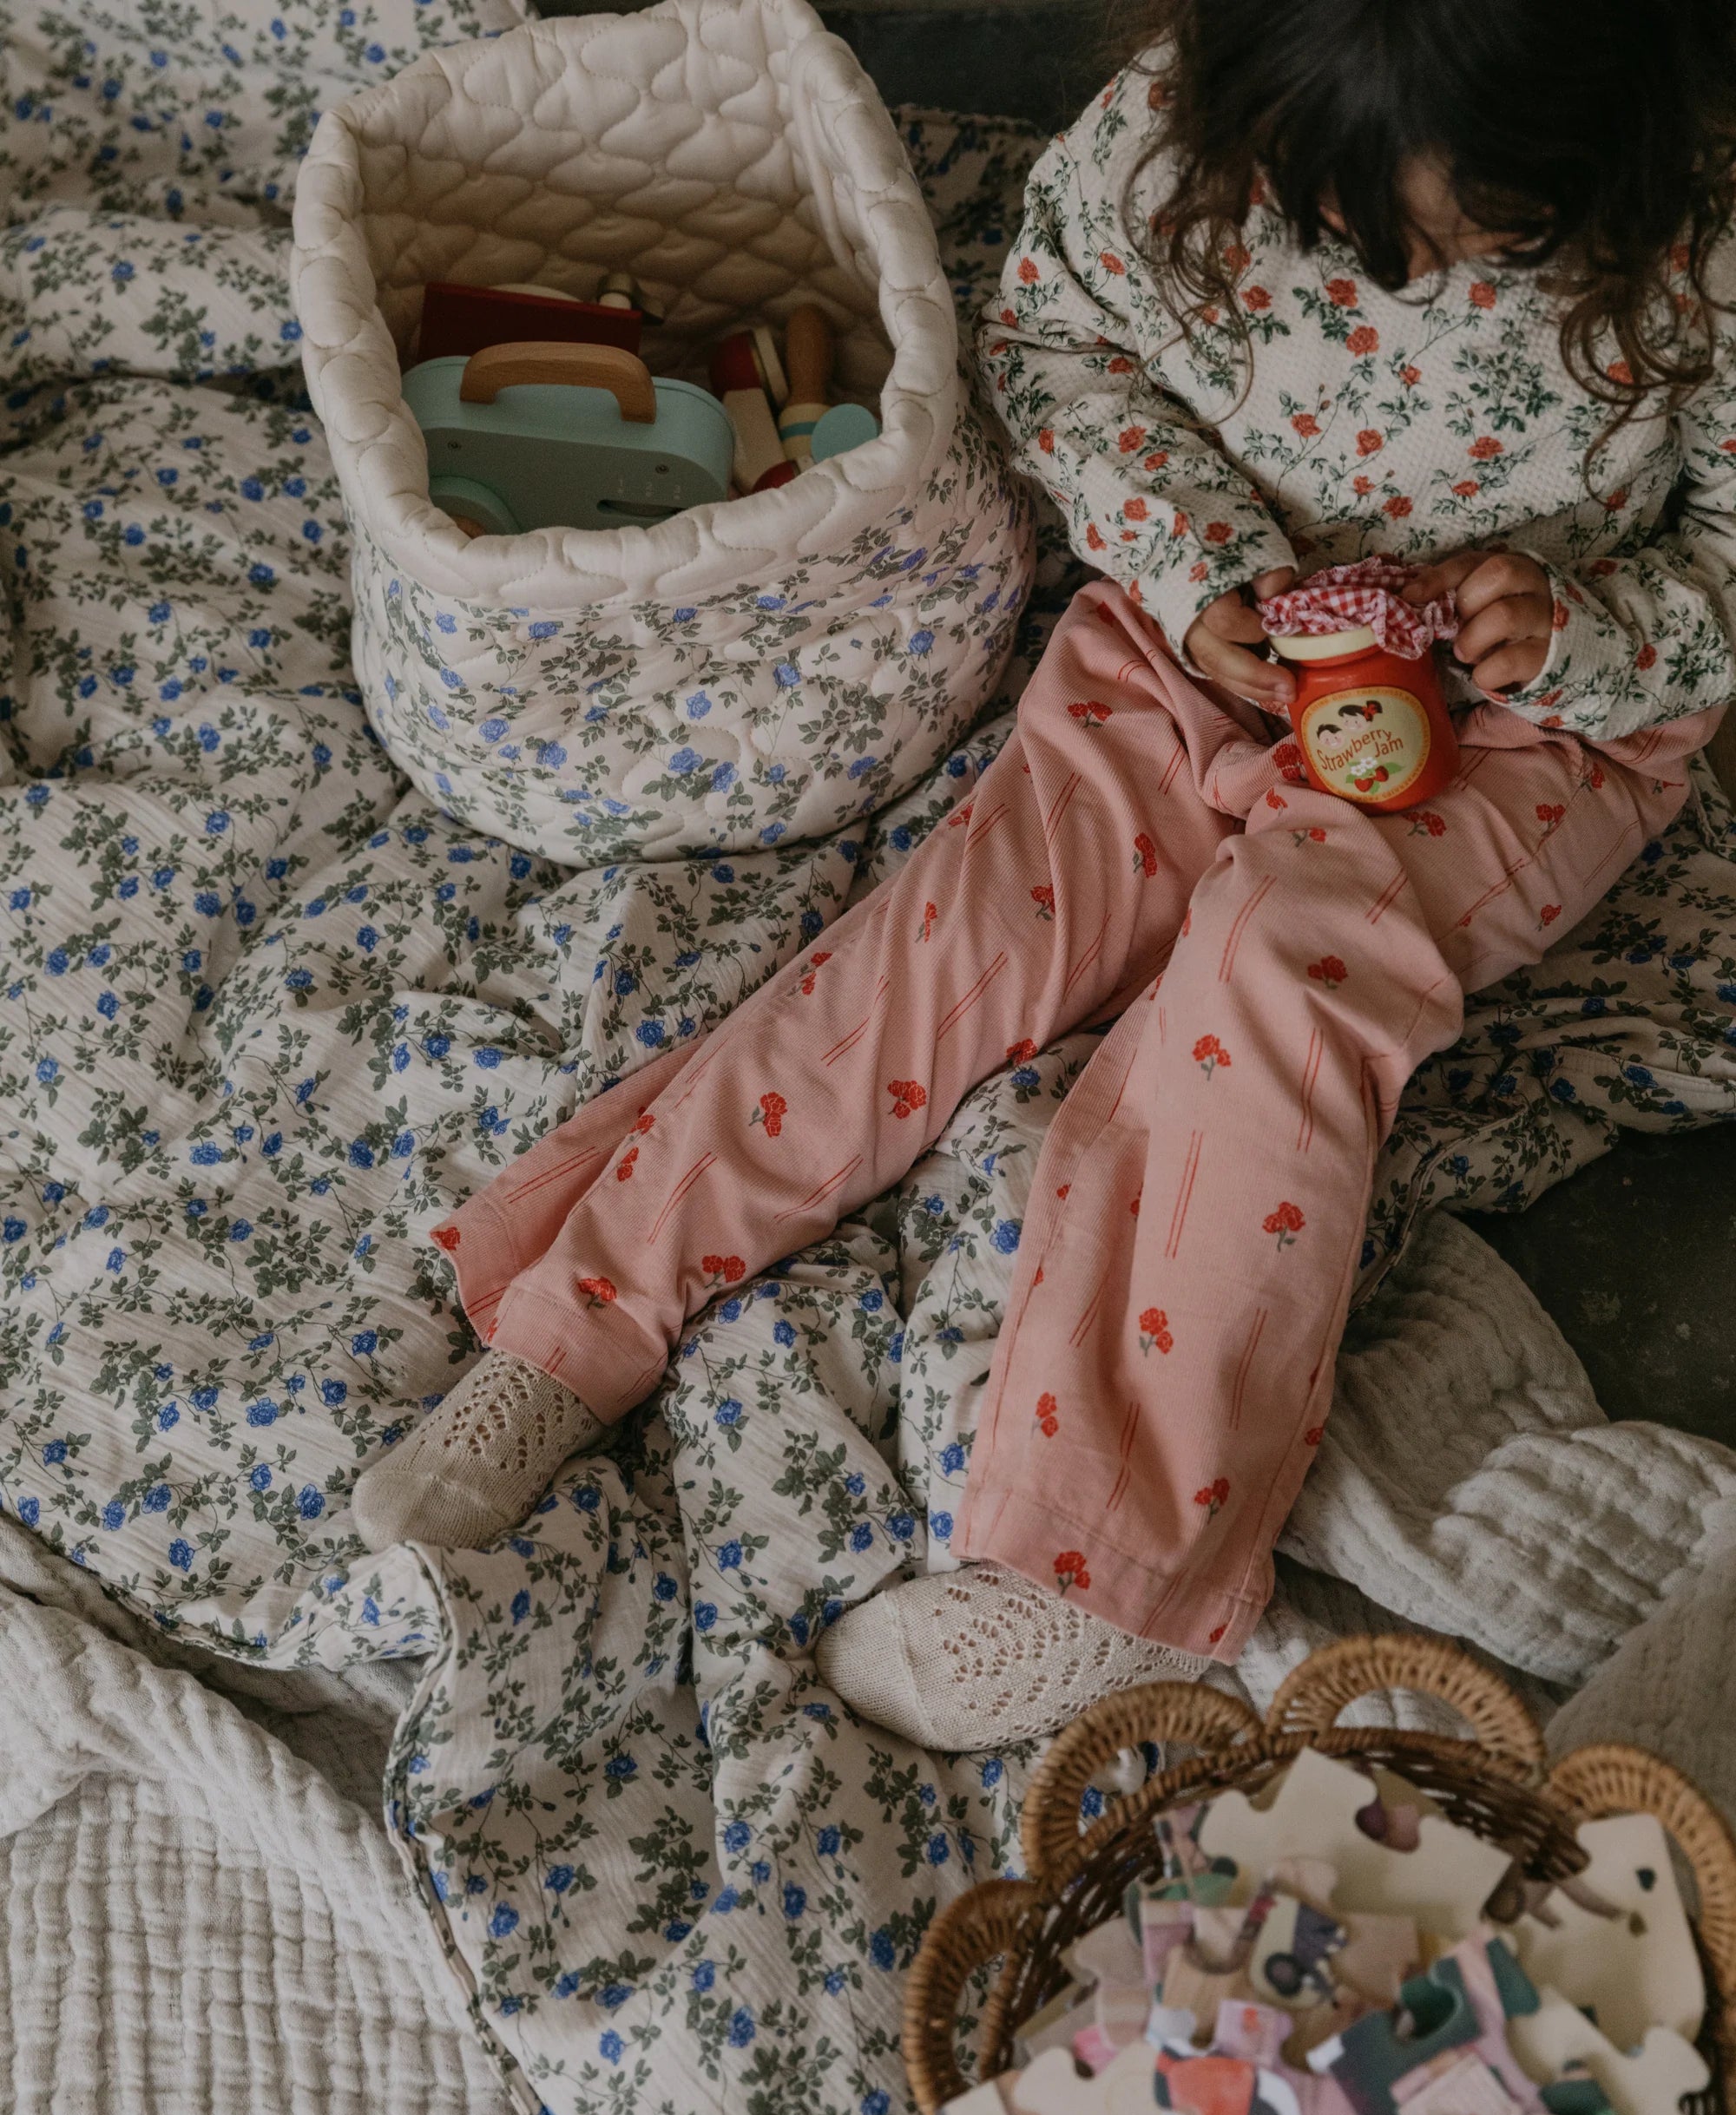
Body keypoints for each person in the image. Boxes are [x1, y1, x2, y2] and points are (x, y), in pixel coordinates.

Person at [355, 0, 1736, 1747]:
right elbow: (1056, 350)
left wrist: (1585, 631)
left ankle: (1106, 1578)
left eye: (1483, 240)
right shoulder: (1173, 143)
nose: (1413, 270)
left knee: (1276, 980)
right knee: (947, 943)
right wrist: (1198, 570)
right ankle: (580, 1315)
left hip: (1525, 733)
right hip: (1200, 651)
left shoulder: (1700, 239)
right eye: (1347, 227)